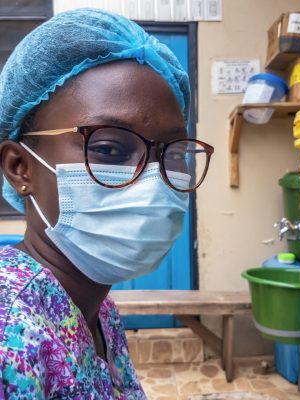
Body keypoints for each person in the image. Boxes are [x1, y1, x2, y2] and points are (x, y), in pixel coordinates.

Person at [0, 8, 213, 400]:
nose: (152, 181)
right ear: (20, 168)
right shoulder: (9, 335)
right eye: (109, 149)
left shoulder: (99, 308)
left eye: (171, 154)